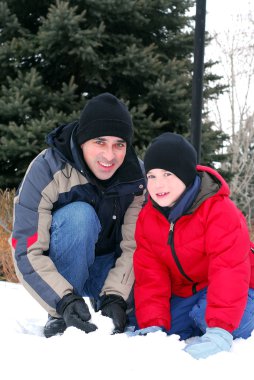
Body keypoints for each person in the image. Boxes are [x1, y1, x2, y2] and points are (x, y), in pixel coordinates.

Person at [11, 92, 146, 338]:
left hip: (109, 270)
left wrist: (117, 295)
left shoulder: (136, 178)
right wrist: (62, 301)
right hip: (63, 268)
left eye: (119, 144)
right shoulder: (47, 169)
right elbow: (25, 247)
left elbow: (137, 245)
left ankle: (106, 303)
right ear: (83, 140)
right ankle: (63, 314)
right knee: (79, 217)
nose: (110, 155)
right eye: (100, 142)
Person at [132, 132, 254, 359]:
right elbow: (150, 276)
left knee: (227, 322)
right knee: (165, 327)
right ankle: (200, 316)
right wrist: (152, 325)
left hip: (238, 286)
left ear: (186, 175)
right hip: (188, 293)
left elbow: (229, 269)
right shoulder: (148, 218)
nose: (159, 185)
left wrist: (220, 329)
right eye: (152, 176)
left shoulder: (218, 211)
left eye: (168, 174)